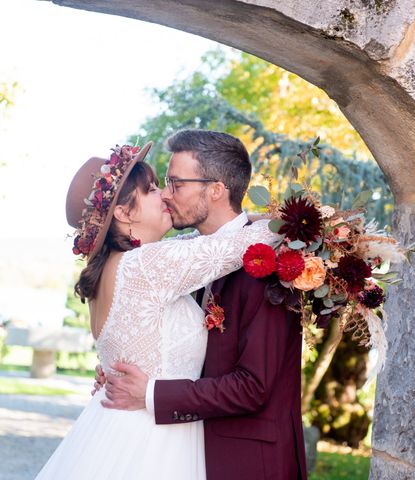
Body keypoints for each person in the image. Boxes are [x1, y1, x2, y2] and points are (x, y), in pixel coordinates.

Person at [35, 140, 279, 479]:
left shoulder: (116, 269)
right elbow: (236, 244)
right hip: (154, 440)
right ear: (122, 212)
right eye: (151, 189)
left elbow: (197, 243)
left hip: (116, 428)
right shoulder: (146, 266)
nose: (164, 194)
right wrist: (306, 226)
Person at [95, 130, 308, 480]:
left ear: (215, 189)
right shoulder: (182, 260)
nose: (165, 194)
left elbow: (253, 386)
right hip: (180, 454)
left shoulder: (270, 267)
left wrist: (150, 393)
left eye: (175, 183)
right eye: (162, 183)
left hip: (248, 462)